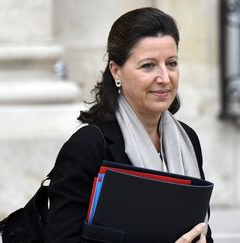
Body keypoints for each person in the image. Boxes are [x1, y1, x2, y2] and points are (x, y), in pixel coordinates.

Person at [45, 7, 213, 243]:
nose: (165, 77)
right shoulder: (89, 146)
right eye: (148, 66)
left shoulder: (188, 139)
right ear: (116, 71)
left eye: (172, 63)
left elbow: (201, 230)